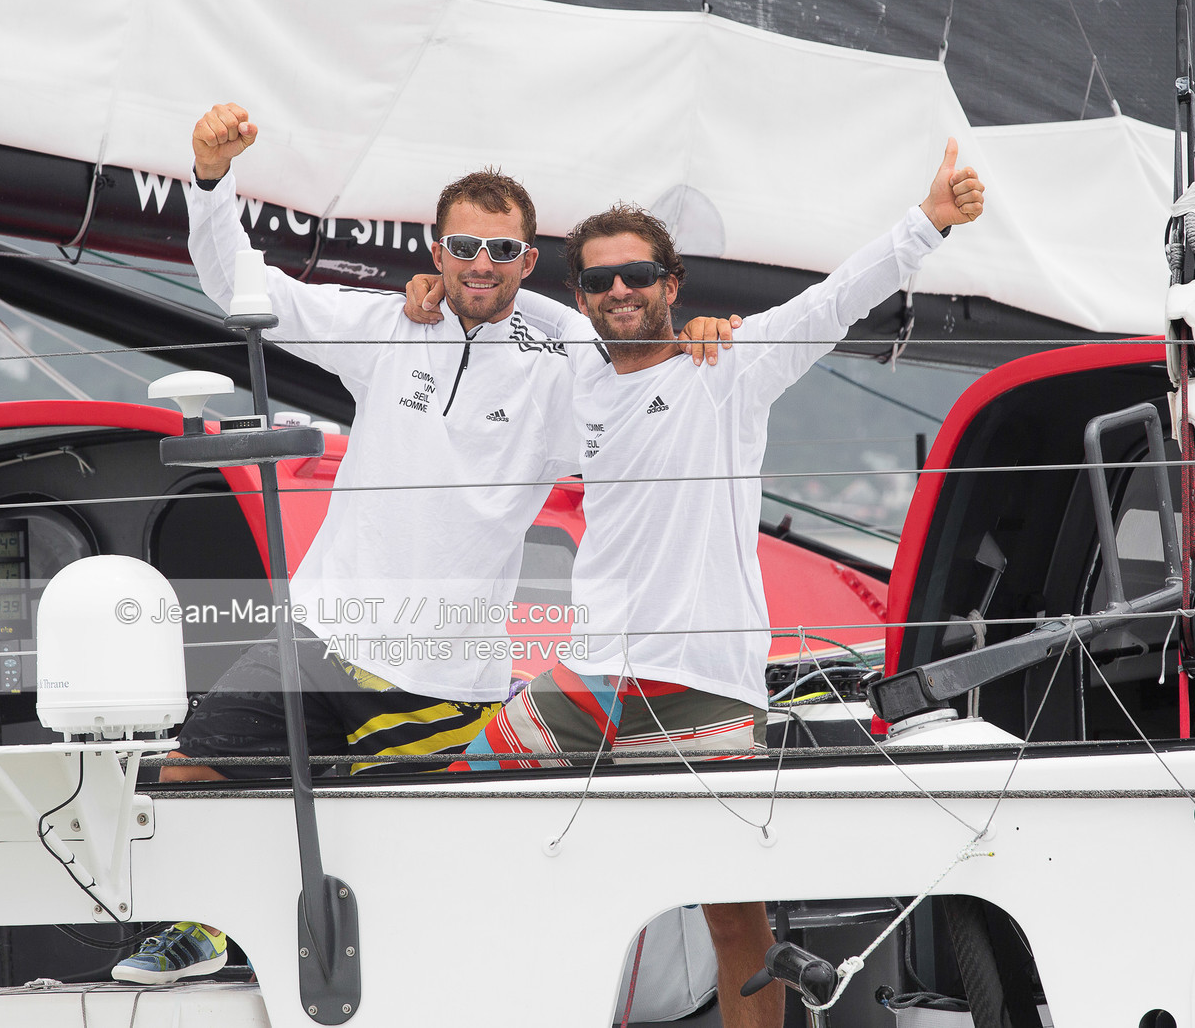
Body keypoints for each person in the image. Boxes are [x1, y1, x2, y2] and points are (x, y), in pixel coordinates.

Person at [113, 103, 736, 985]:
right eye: (464, 247)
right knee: (192, 774)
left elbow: (638, 362)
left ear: (529, 260)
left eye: (503, 250)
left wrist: (699, 334)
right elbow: (240, 286)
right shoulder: (386, 327)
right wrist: (211, 180)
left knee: (431, 867)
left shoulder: (567, 360)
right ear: (434, 249)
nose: (482, 264)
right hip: (320, 638)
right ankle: (206, 929)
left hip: (444, 671)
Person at [410, 137, 984, 1028]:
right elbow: (495, 306)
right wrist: (430, 294)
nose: (620, 291)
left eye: (638, 275)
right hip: (589, 681)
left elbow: (836, 301)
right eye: (599, 281)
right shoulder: (578, 378)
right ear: (583, 298)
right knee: (454, 816)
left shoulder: (733, 367)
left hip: (703, 689)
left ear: (671, 284)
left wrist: (929, 222)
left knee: (731, 913)